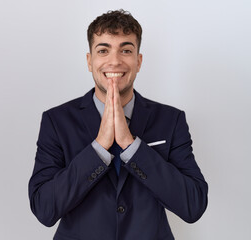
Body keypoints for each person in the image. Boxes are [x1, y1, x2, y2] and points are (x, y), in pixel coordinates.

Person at [28, 9, 208, 240]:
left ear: (138, 61)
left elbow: (193, 205)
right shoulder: (56, 121)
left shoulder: (171, 120)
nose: (115, 61)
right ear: (89, 61)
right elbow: (44, 208)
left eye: (126, 50)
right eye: (103, 50)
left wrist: (131, 147)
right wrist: (99, 148)